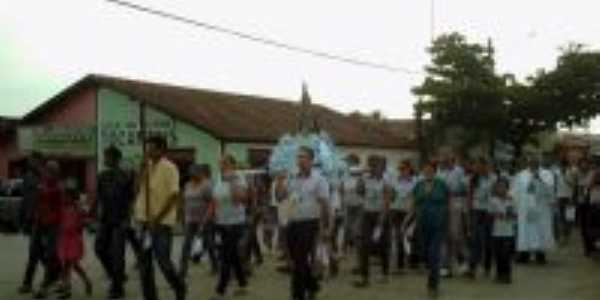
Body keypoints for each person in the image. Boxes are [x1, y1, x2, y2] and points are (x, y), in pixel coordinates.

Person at [134, 136, 187, 300]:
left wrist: (157, 218)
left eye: (151, 148)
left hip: (161, 223)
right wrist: (141, 170)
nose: (148, 151)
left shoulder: (170, 167)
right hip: (143, 221)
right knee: (144, 265)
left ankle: (179, 286)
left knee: (163, 262)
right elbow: (136, 189)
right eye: (147, 148)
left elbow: (174, 195)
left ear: (161, 150)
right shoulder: (147, 167)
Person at [275, 146, 331, 300]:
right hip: (292, 222)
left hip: (310, 224)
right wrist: (279, 182)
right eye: (298, 157)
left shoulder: (319, 179)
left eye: (304, 157)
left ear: (312, 160)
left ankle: (297, 295)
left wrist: (326, 228)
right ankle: (313, 285)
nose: (300, 160)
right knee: (295, 259)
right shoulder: (291, 178)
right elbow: (281, 198)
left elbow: (325, 205)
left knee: (299, 260)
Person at [206, 155, 249, 300]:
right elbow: (214, 200)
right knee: (233, 256)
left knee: (225, 256)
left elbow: (240, 200)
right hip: (221, 222)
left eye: (225, 163)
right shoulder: (218, 178)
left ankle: (220, 290)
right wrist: (208, 217)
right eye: (220, 163)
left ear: (233, 165)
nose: (222, 166)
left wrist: (231, 182)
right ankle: (242, 283)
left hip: (236, 222)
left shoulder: (239, 178)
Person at [94, 146, 134, 299]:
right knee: (99, 249)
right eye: (104, 156)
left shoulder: (126, 176)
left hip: (121, 220)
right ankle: (117, 276)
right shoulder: (101, 176)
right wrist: (95, 216)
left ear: (115, 158)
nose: (104, 159)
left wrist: (128, 219)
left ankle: (117, 288)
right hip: (105, 220)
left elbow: (131, 199)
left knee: (118, 255)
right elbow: (99, 198)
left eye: (107, 157)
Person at [410, 161, 449, 298]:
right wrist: (412, 219)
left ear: (435, 171)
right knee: (426, 252)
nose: (427, 172)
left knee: (434, 254)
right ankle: (431, 274)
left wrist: (445, 219)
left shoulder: (441, 184)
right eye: (425, 169)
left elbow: (447, 202)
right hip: (422, 223)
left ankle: (433, 284)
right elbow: (414, 202)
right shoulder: (418, 185)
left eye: (430, 170)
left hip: (437, 223)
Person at [354, 156, 393, 288]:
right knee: (364, 245)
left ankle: (385, 273)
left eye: (377, 165)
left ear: (382, 168)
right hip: (367, 214)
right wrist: (360, 179)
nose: (373, 168)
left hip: (381, 215)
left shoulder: (386, 180)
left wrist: (381, 221)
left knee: (382, 245)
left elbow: (387, 201)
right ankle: (364, 277)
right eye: (372, 165)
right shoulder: (365, 179)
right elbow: (359, 192)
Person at [512, 158, 556, 264]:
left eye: (535, 161)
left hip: (541, 208)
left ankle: (540, 254)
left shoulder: (547, 174)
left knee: (541, 229)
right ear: (528, 163)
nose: (533, 163)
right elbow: (515, 191)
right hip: (525, 208)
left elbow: (550, 191)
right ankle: (524, 254)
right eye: (531, 162)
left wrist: (540, 179)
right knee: (525, 231)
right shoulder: (521, 175)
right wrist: (515, 206)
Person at [32, 161, 64, 299]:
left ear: (57, 173)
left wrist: (42, 190)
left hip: (54, 223)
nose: (49, 173)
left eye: (52, 171)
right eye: (48, 170)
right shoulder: (43, 183)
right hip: (40, 221)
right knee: (36, 250)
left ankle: (45, 285)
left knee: (50, 254)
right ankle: (55, 275)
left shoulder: (58, 187)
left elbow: (59, 204)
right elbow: (39, 200)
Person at [179, 164, 215, 279]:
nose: (192, 175)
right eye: (191, 174)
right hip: (190, 220)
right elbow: (184, 201)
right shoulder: (188, 185)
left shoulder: (206, 185)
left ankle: (215, 266)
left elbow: (211, 203)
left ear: (200, 173)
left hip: (204, 220)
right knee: (186, 245)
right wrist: (183, 216)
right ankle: (182, 270)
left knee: (209, 244)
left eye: (195, 173)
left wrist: (206, 219)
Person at [56, 186, 93, 299]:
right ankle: (67, 286)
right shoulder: (62, 208)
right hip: (64, 239)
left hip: (74, 240)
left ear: (72, 198)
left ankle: (70, 287)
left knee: (71, 265)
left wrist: (81, 224)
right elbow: (59, 222)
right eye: (63, 197)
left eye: (66, 197)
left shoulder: (78, 209)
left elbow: (87, 219)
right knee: (67, 265)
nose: (64, 198)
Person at [18, 152, 44, 294]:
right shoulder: (27, 177)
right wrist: (22, 219)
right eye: (29, 161)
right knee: (37, 253)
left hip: (45, 220)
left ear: (39, 161)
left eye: (33, 160)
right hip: (33, 220)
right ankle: (54, 277)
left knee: (38, 253)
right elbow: (25, 199)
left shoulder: (46, 176)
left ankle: (28, 283)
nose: (30, 163)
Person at [437, 156, 468, 277]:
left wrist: (454, 193)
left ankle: (462, 260)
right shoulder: (439, 172)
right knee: (444, 235)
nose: (444, 161)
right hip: (442, 203)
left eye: (447, 158)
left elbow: (465, 188)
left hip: (455, 201)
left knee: (455, 234)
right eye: (443, 158)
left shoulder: (459, 171)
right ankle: (445, 265)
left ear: (452, 159)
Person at [466, 158, 494, 278]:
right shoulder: (473, 179)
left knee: (487, 241)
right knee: (475, 240)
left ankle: (487, 266)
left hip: (489, 211)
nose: (480, 168)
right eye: (478, 166)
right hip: (477, 211)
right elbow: (470, 196)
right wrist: (469, 210)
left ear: (487, 166)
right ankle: (472, 267)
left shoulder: (493, 179)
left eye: (483, 165)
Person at [390, 160, 416, 274]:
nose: (402, 171)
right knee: (398, 236)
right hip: (396, 210)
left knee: (406, 236)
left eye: (404, 169)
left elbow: (415, 198)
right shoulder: (395, 181)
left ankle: (410, 259)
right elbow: (392, 195)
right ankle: (400, 263)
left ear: (409, 169)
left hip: (408, 211)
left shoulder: (415, 181)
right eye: (400, 169)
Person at [489, 178, 516, 284]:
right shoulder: (493, 200)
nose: (501, 189)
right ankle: (499, 273)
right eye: (499, 187)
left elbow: (514, 214)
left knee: (506, 254)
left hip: (508, 232)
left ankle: (507, 274)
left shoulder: (511, 200)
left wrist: (505, 215)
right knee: (498, 254)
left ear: (507, 188)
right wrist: (499, 215)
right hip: (496, 232)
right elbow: (491, 214)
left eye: (503, 187)